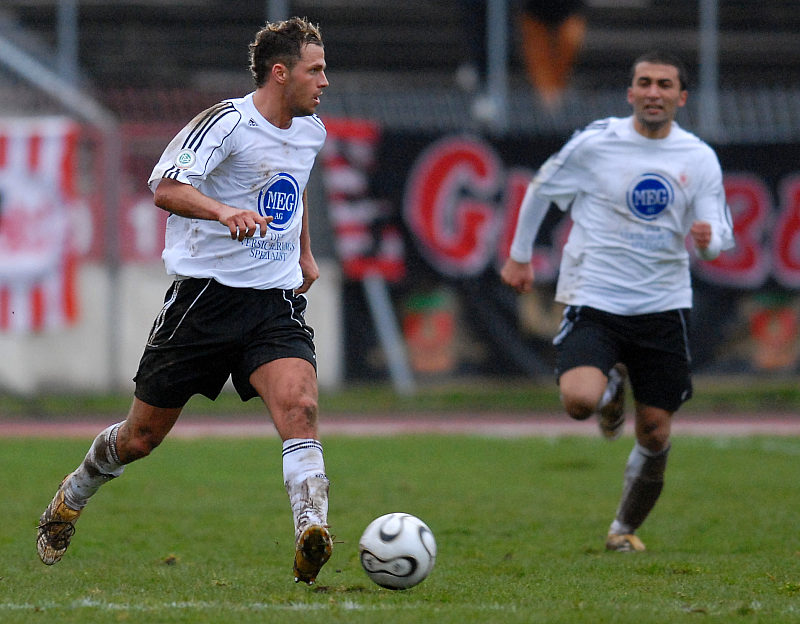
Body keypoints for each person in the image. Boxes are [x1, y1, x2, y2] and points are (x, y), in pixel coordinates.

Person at [36, 17, 333, 585]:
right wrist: (223, 212)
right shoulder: (227, 122)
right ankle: (74, 492)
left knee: (300, 407)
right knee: (141, 438)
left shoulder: (310, 131)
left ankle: (311, 530)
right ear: (280, 72)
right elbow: (167, 187)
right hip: (204, 303)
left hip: (272, 303)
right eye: (315, 70)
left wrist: (304, 253)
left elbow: (293, 192)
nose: (324, 81)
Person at [501, 51, 734, 552]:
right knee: (579, 402)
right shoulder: (597, 143)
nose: (654, 92)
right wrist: (519, 256)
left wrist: (708, 241)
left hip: (663, 307)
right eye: (645, 83)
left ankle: (622, 529)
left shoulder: (697, 157)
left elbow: (719, 232)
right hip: (595, 299)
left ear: (681, 97)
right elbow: (542, 188)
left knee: (654, 432)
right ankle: (608, 390)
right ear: (630, 93)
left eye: (665, 85)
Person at [518, 0, 587, 111]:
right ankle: (547, 95)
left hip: (570, 9)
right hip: (535, 10)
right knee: (538, 51)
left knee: (570, 40)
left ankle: (556, 92)